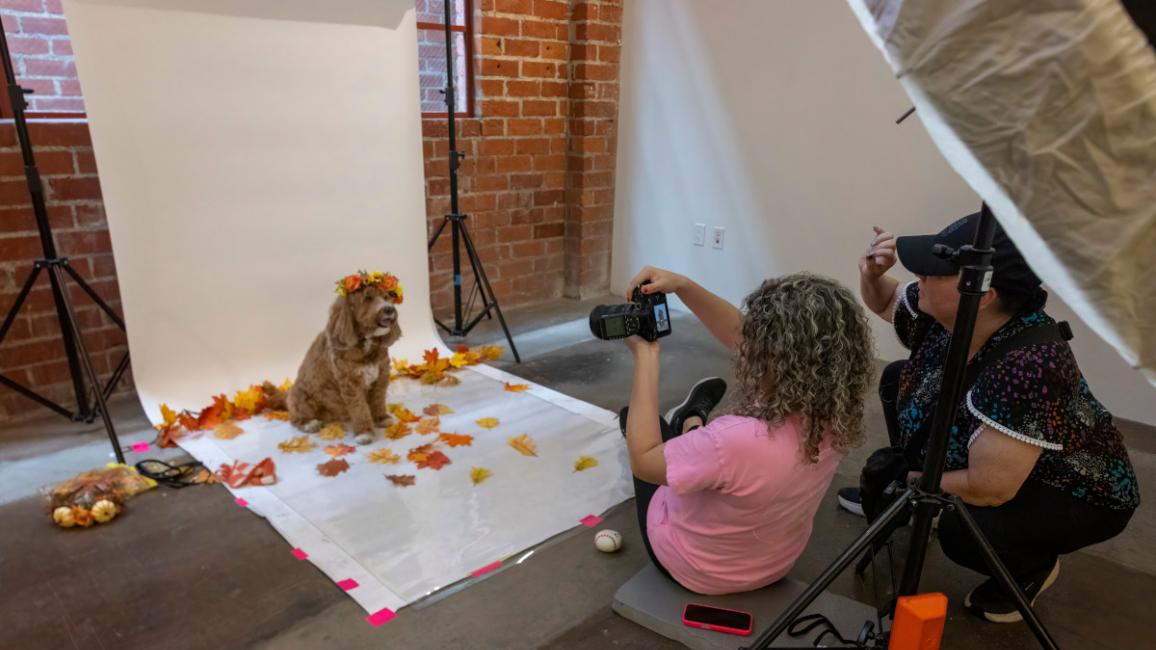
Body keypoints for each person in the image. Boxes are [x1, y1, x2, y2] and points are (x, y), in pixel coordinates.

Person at [838, 212, 1140, 622]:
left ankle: (1030, 567)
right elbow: (889, 302)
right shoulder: (953, 310)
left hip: (1071, 491)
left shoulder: (1029, 367)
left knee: (964, 532)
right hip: (999, 451)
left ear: (983, 293)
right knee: (898, 378)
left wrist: (904, 483)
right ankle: (915, 498)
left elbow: (989, 487)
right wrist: (871, 276)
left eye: (934, 270)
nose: (919, 276)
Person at [619, 270, 874, 595]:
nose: (747, 344)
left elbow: (644, 461)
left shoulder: (737, 439)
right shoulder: (836, 411)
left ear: (773, 356)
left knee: (640, 422)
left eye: (759, 338)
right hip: (772, 565)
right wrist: (684, 285)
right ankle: (692, 421)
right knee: (710, 458)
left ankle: (688, 422)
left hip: (694, 568)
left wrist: (646, 357)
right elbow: (739, 333)